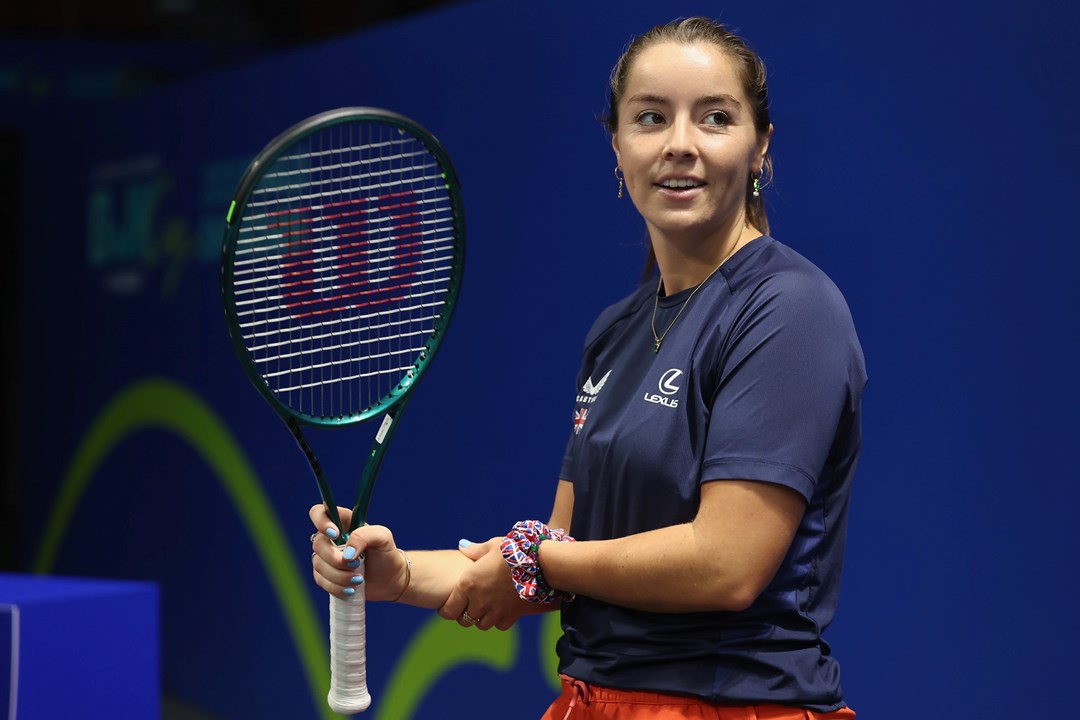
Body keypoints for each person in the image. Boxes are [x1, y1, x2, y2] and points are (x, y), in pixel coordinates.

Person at [311, 16, 866, 720]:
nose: (680, 145)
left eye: (716, 118)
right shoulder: (616, 331)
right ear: (618, 147)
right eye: (651, 118)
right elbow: (566, 555)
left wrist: (536, 561)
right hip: (592, 701)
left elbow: (726, 564)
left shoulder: (790, 308)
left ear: (760, 146)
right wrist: (396, 574)